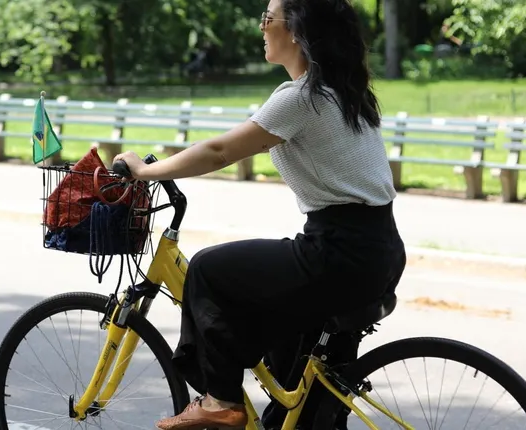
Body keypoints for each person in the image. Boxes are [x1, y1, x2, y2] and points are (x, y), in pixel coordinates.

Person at [111, 0, 407, 428]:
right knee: (299, 391)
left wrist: (144, 171)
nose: (261, 28)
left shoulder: (303, 97)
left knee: (209, 270)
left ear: (297, 31)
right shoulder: (344, 92)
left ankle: (221, 400)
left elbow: (219, 151)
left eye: (268, 18)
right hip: (376, 251)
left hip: (339, 253)